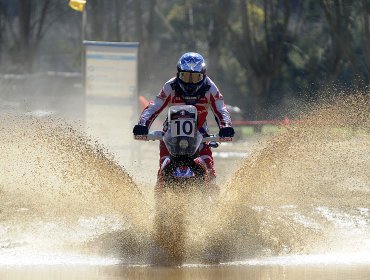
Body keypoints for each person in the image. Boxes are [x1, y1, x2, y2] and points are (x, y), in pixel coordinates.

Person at [133, 52, 234, 184]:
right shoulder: (170, 86)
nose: (190, 82)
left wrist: (226, 126)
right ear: (178, 74)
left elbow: (221, 108)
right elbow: (154, 106)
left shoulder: (211, 88)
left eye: (196, 77)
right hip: (170, 130)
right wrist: (143, 125)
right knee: (163, 165)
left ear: (203, 76)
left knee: (209, 167)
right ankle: (159, 197)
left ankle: (213, 198)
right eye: (186, 77)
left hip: (200, 130)